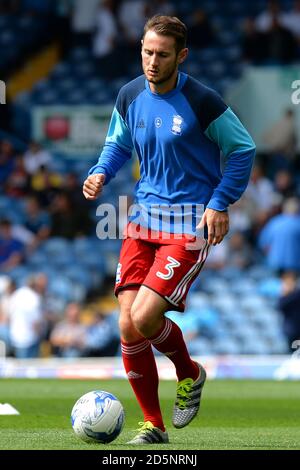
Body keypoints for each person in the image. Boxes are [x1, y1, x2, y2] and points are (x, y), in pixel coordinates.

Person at [83, 15, 256, 444]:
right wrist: (102, 172)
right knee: (126, 325)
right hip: (142, 220)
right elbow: (118, 143)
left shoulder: (203, 101)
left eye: (162, 54)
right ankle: (153, 426)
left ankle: (189, 372)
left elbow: (242, 149)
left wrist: (219, 203)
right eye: (146, 52)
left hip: (189, 225)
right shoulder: (129, 95)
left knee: (144, 317)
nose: (152, 62)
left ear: (182, 55)